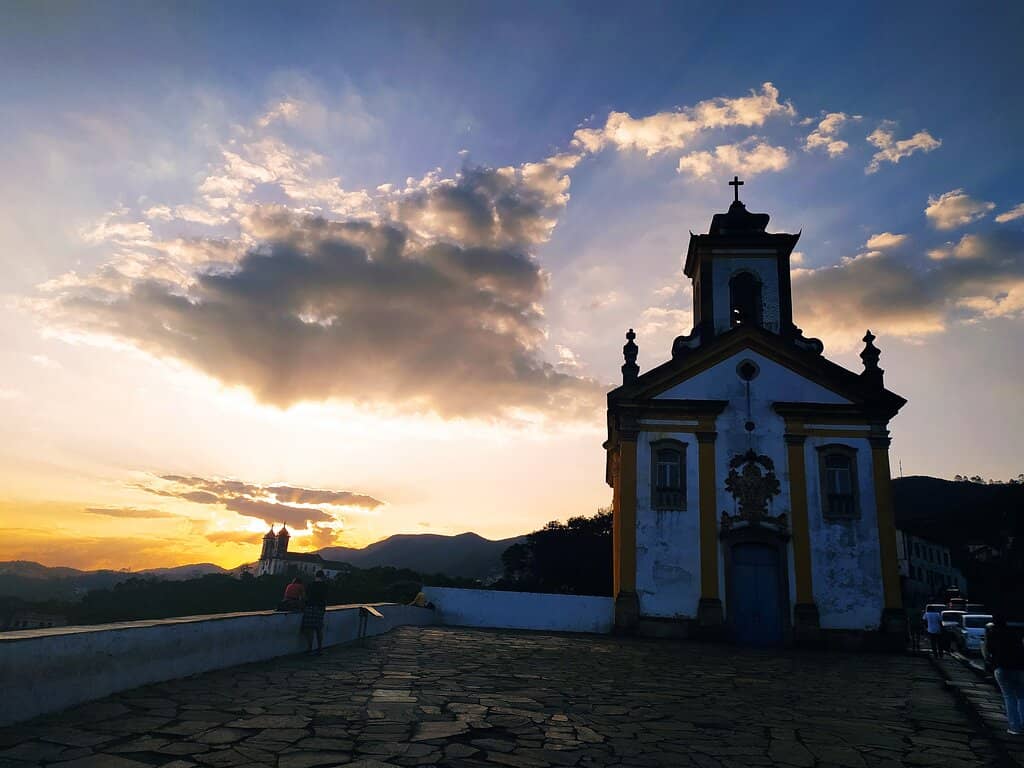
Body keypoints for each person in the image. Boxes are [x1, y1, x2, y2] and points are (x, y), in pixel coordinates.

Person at [984, 613, 1024, 736]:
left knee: (1009, 696)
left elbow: (988, 651)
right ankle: (1022, 724)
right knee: (1021, 697)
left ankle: (1014, 727)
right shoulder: (1014, 634)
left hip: (1002, 668)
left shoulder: (992, 633)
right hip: (1019, 668)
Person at [302, 570, 328, 655]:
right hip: (319, 608)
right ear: (323, 577)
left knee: (309, 629)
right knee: (318, 629)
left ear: (315, 576)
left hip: (309, 607)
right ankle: (320, 648)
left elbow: (305, 596)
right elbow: (325, 597)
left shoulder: (310, 585)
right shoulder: (324, 586)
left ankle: (309, 648)